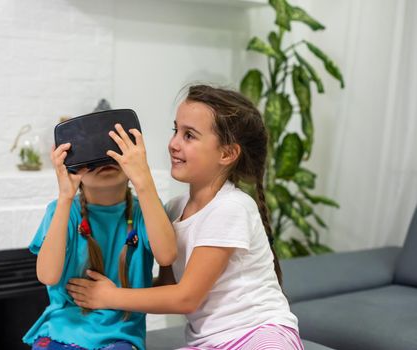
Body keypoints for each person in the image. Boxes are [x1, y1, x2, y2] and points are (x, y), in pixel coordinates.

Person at [67, 85, 303, 350]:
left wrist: (112, 297)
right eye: (175, 130)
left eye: (189, 135)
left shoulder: (231, 207)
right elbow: (169, 285)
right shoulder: (173, 209)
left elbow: (186, 299)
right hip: (209, 343)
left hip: (260, 333)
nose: (173, 144)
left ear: (227, 154)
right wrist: (109, 287)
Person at [23, 122, 177, 350]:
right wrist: (65, 197)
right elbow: (47, 275)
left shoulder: (145, 211)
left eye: (113, 153)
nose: (105, 162)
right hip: (62, 332)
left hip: (120, 336)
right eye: (93, 157)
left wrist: (143, 180)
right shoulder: (64, 211)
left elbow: (166, 256)